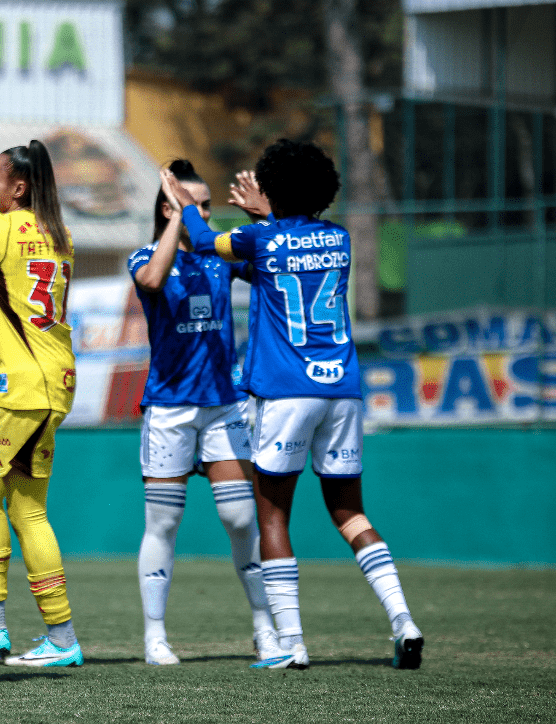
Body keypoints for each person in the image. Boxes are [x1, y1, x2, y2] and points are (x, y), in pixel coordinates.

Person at [166, 139, 424, 670]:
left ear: (273, 188)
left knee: (273, 516)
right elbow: (280, 253)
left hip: (287, 393)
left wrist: (182, 200)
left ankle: (291, 643)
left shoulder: (259, 239)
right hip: (343, 391)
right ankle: (404, 620)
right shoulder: (341, 238)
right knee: (350, 511)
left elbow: (202, 241)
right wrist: (269, 212)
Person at [127, 159, 283, 667]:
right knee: (164, 524)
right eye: (196, 205)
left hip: (223, 406)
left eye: (208, 205)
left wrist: (264, 216)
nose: (206, 214)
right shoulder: (146, 255)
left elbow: (272, 258)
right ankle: (155, 636)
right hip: (169, 410)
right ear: (169, 208)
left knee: (241, 518)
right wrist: (180, 216)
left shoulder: (221, 259)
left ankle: (264, 627)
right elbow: (152, 282)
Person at [0, 141, 82, 667]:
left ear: (19, 188)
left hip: (28, 389)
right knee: (0, 502)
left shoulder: (6, 228)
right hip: (50, 380)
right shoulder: (60, 235)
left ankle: (59, 637)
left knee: (11, 505)